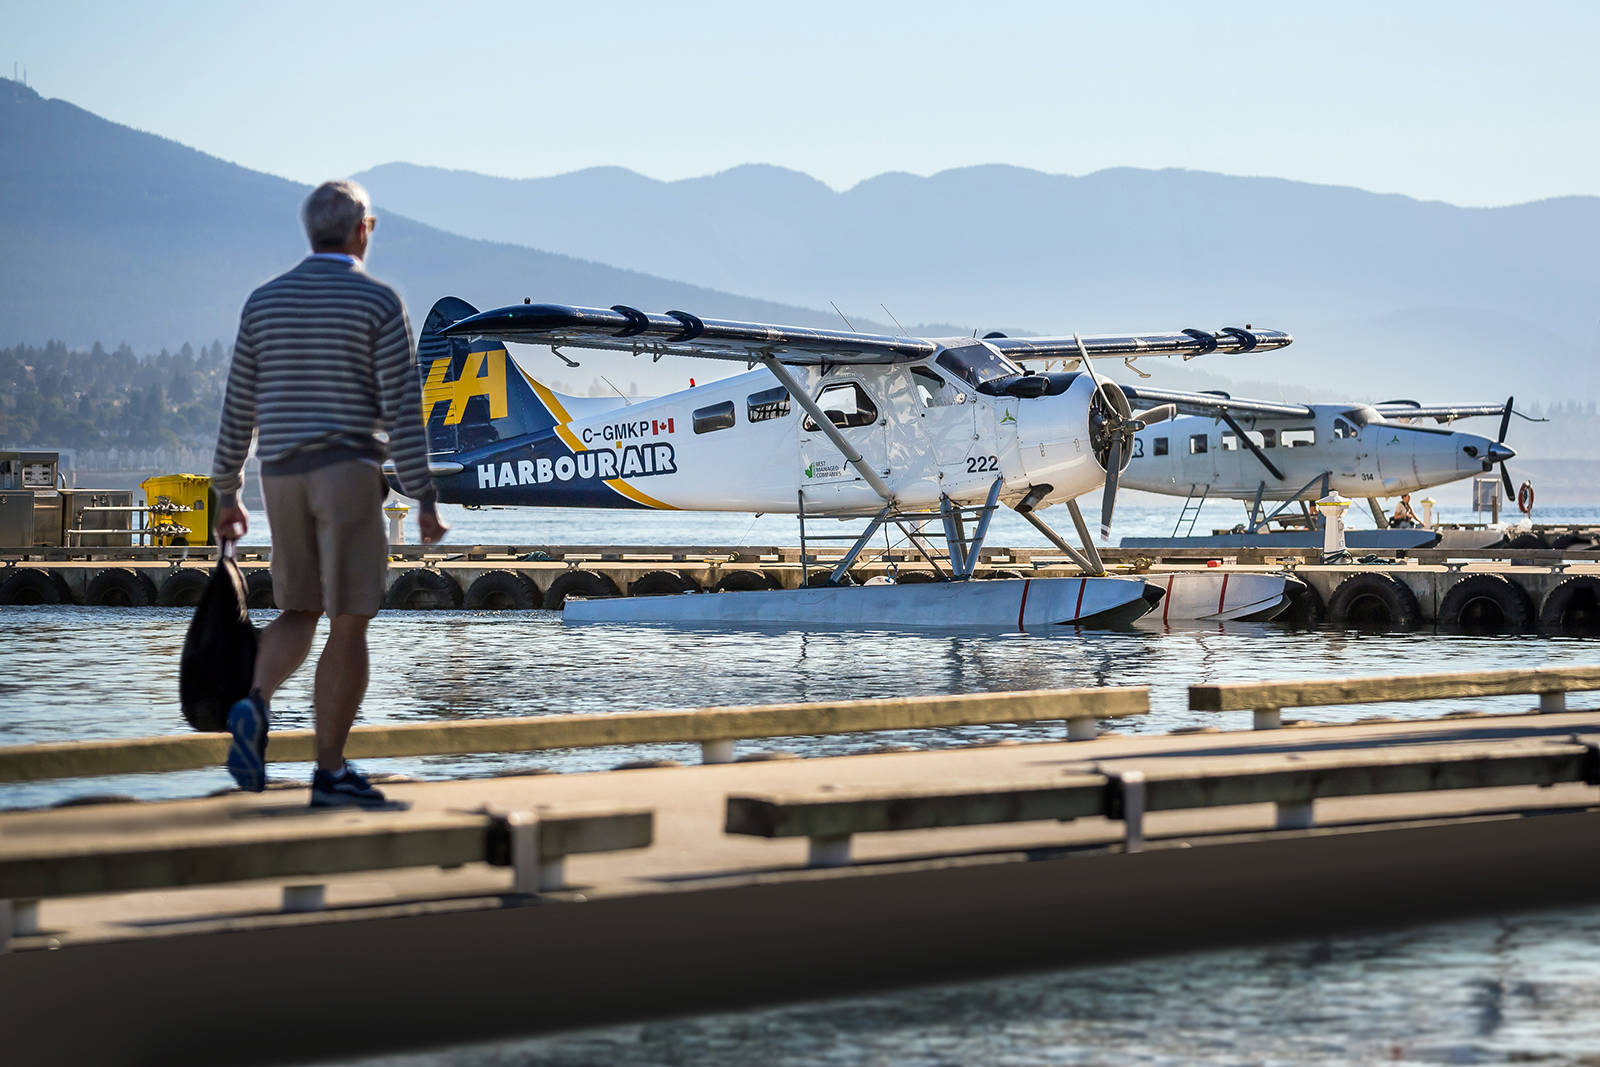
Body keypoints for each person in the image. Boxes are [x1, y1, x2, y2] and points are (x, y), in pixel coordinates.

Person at [211, 179, 447, 807]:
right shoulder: (376, 300)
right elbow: (402, 407)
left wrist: (225, 492)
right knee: (349, 621)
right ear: (362, 229)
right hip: (346, 471)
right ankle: (331, 772)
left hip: (280, 475)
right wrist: (422, 497)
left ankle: (253, 704)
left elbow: (239, 406)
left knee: (296, 609)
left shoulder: (263, 302)